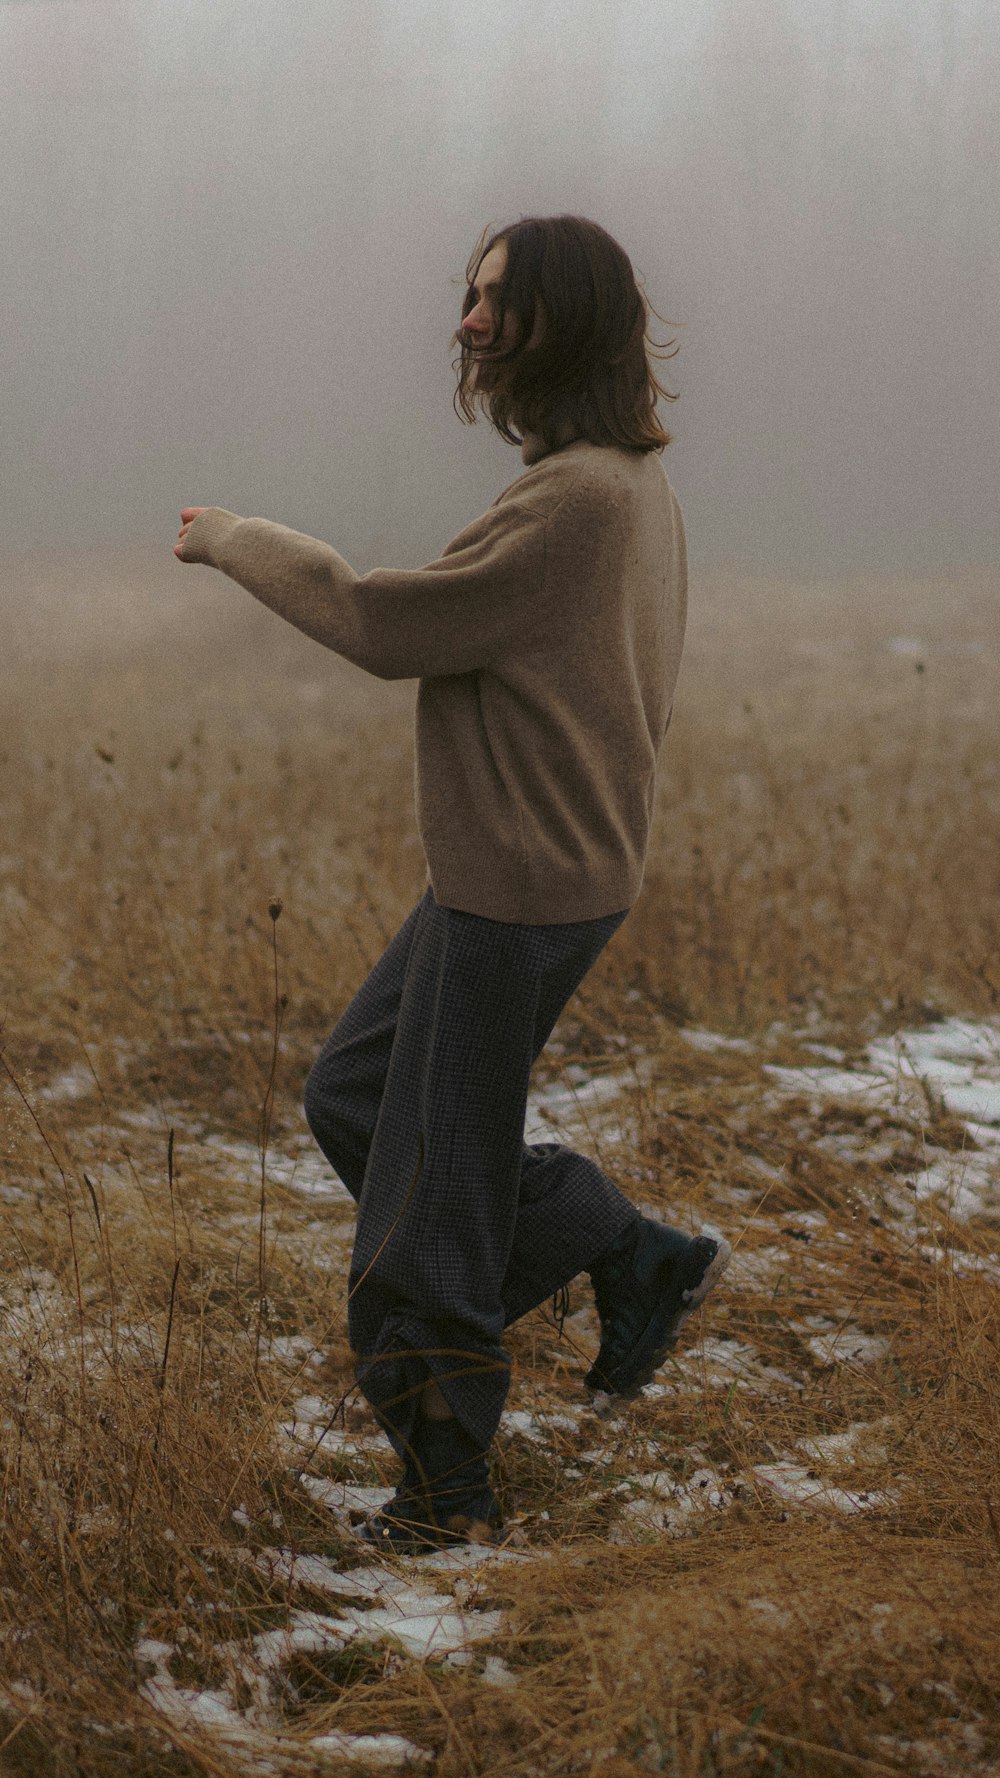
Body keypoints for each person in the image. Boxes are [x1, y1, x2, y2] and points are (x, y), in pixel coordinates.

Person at [174, 213, 730, 1551]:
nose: (470, 323)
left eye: (500, 303)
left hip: (518, 888)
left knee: (427, 1190)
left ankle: (446, 1490)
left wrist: (234, 536)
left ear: (567, 322)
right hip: (533, 871)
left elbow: (381, 619)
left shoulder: (580, 500)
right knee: (360, 1094)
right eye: (471, 297)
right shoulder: (628, 483)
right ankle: (623, 1243)